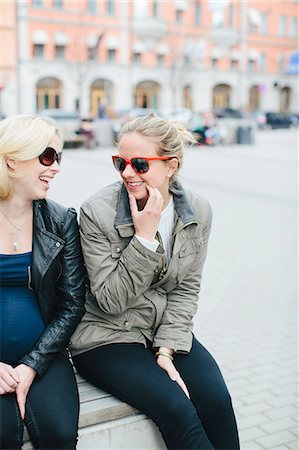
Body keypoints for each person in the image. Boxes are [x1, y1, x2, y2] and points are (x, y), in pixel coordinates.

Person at [70, 113, 240, 450]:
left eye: (139, 164)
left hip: (163, 329)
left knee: (217, 403)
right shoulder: (96, 211)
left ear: (171, 166)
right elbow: (110, 300)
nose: (127, 173)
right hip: (107, 336)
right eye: (120, 162)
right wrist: (144, 239)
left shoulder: (197, 211)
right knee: (178, 411)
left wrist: (167, 348)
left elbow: (187, 287)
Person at [0, 115, 86, 449]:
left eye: (58, 158)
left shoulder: (61, 220)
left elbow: (72, 303)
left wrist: (32, 365)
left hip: (44, 354)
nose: (56, 168)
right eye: (47, 156)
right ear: (12, 160)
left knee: (59, 433)